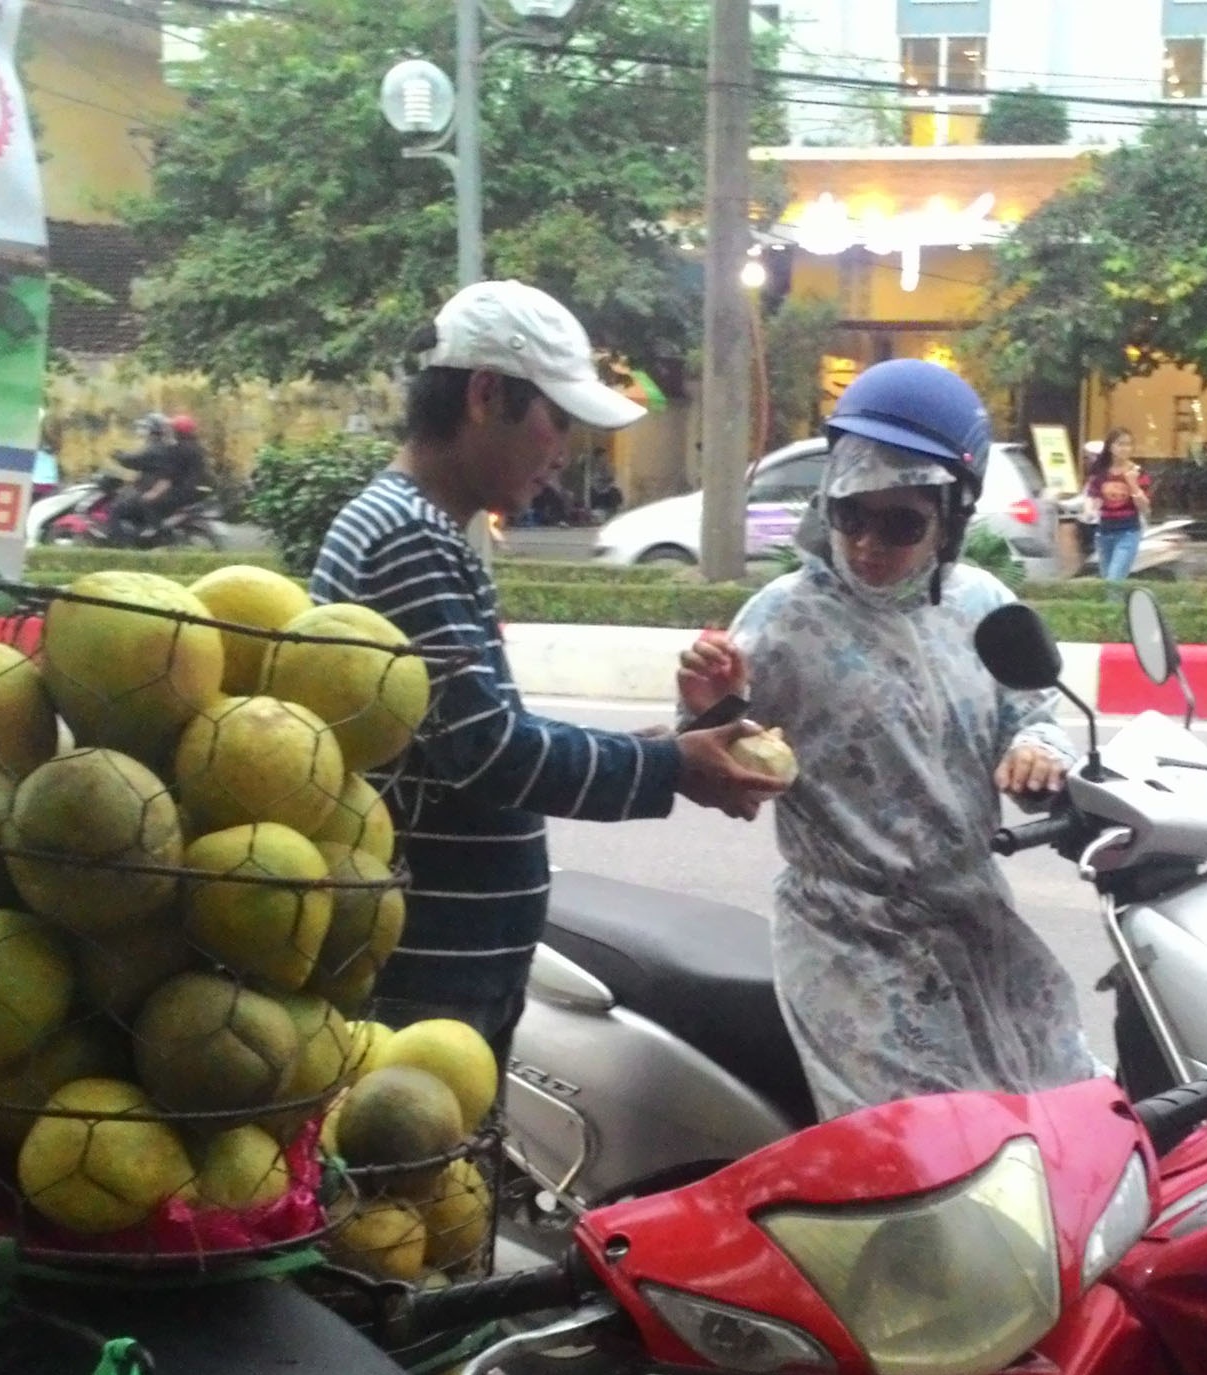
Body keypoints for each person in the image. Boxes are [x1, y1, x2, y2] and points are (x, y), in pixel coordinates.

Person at [308, 280, 787, 1060]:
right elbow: (492, 755)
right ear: (486, 395)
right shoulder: (410, 540)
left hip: (447, 966)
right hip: (424, 975)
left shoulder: (411, 527)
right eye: (555, 418)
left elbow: (473, 736)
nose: (564, 450)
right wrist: (672, 769)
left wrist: (675, 742)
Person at [673, 360, 1094, 1118]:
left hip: (974, 921)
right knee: (922, 1161)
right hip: (850, 942)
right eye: (851, 515)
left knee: (1061, 1117)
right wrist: (707, 709)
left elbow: (1034, 713)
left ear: (951, 519)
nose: (868, 543)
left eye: (901, 523)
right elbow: (719, 772)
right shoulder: (782, 621)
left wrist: (1042, 749)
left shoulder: (983, 607)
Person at [110, 412, 205, 544]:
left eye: (172, 428)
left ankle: (152, 534)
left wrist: (154, 493)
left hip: (179, 492)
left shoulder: (177, 449)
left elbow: (168, 476)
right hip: (188, 491)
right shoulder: (195, 448)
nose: (169, 430)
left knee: (126, 506)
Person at [1085, 427, 1151, 582]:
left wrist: (1133, 484)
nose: (1125, 449)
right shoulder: (1101, 472)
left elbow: (1145, 507)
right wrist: (1089, 510)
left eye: (1128, 444)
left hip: (1128, 532)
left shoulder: (1138, 472)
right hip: (1104, 533)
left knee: (1113, 580)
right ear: (1110, 447)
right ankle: (1115, 607)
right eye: (1120, 444)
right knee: (1108, 580)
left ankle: (1113, 606)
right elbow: (1093, 497)